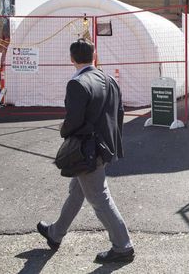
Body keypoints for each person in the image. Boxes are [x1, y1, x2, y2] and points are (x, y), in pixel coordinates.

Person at [37, 38, 134, 264]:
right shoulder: (109, 79)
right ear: (94, 54)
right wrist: (113, 144)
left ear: (72, 59)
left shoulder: (77, 83)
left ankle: (123, 246)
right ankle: (55, 233)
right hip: (105, 147)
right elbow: (119, 113)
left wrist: (63, 128)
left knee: (99, 198)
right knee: (77, 191)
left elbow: (73, 121)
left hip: (87, 152)